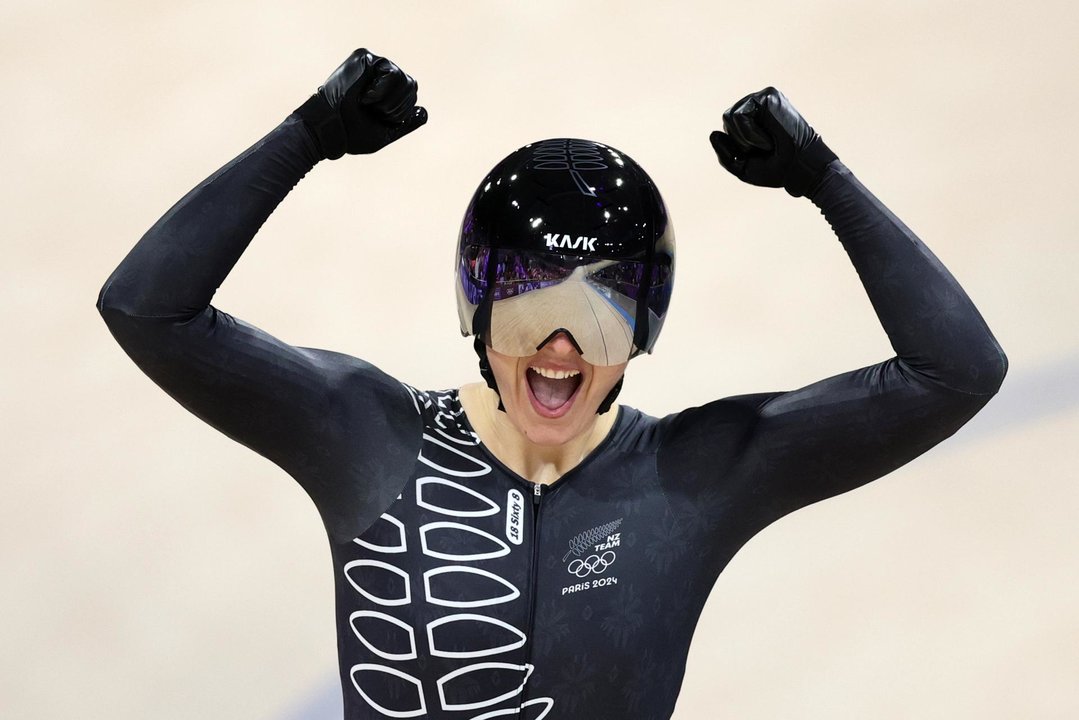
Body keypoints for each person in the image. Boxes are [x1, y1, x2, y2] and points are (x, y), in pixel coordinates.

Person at [97, 49, 1007, 720]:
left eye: (605, 307)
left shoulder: (702, 474)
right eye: (530, 302)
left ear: (646, 323)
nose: (562, 345)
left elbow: (958, 371)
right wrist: (306, 136)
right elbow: (147, 308)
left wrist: (826, 180)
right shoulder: (363, 434)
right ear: (478, 305)